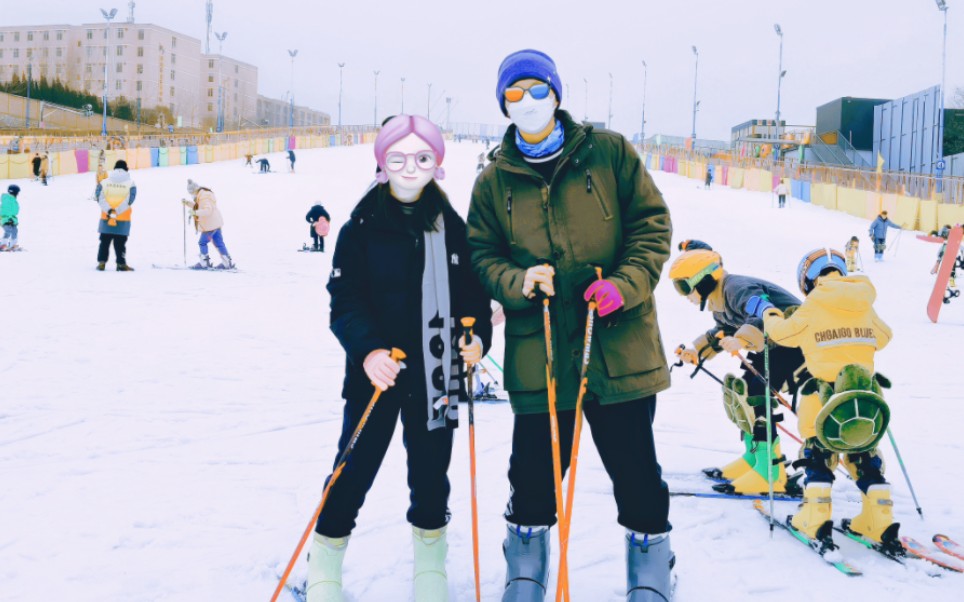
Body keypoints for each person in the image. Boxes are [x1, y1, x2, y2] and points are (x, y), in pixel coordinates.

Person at [466, 49, 674, 602]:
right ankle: (527, 565)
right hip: (541, 350)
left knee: (635, 468)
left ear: (557, 94)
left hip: (616, 343)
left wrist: (625, 284)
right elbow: (481, 255)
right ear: (503, 106)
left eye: (538, 90)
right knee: (533, 472)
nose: (528, 102)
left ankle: (651, 570)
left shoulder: (609, 153)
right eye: (515, 94)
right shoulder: (493, 181)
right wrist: (518, 281)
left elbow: (652, 227)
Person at [310, 115, 492, 602]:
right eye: (398, 158)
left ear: (437, 164)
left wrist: (477, 344)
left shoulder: (454, 228)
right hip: (377, 377)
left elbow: (473, 300)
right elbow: (344, 300)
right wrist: (367, 351)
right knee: (354, 468)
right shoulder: (361, 227)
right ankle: (325, 556)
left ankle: (430, 562)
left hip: (436, 378)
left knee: (432, 477)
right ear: (382, 164)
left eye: (422, 158)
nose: (410, 168)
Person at [753, 249, 896, 550]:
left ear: (808, 279)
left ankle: (815, 518)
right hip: (863, 396)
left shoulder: (814, 303)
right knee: (862, 452)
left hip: (822, 395)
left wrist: (769, 313)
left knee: (818, 450)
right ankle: (879, 519)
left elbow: (783, 335)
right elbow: (883, 337)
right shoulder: (863, 299)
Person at [670, 240, 806, 496]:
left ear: (702, 279)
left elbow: (767, 312)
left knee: (757, 392)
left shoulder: (736, 288)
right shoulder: (719, 299)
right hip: (772, 346)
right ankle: (755, 458)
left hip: (795, 341)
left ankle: (771, 472)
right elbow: (722, 331)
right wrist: (696, 351)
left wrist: (742, 339)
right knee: (743, 392)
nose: (683, 294)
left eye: (684, 286)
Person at [182, 179, 235, 270]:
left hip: (210, 225)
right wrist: (187, 203)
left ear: (195, 190)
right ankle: (227, 262)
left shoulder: (204, 197)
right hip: (215, 223)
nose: (191, 195)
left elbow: (207, 211)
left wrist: (195, 213)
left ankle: (204, 263)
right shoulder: (203, 195)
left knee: (202, 242)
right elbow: (198, 206)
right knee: (219, 243)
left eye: (191, 193)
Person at [94, 160, 136, 271]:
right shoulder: (131, 183)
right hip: (123, 218)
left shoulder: (104, 182)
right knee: (120, 243)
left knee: (104, 242)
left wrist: (109, 211)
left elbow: (99, 197)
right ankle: (121, 264)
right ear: (126, 169)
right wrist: (117, 211)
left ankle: (102, 263)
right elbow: (130, 200)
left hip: (106, 218)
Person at [0, 184, 20, 251]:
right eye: (17, 193)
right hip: (5, 219)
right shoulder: (7, 200)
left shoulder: (13, 200)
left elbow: (15, 211)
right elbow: (4, 210)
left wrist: (13, 219)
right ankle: (3, 244)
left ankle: (12, 244)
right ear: (15, 192)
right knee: (8, 231)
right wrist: (9, 218)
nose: (18, 194)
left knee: (15, 231)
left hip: (12, 219)